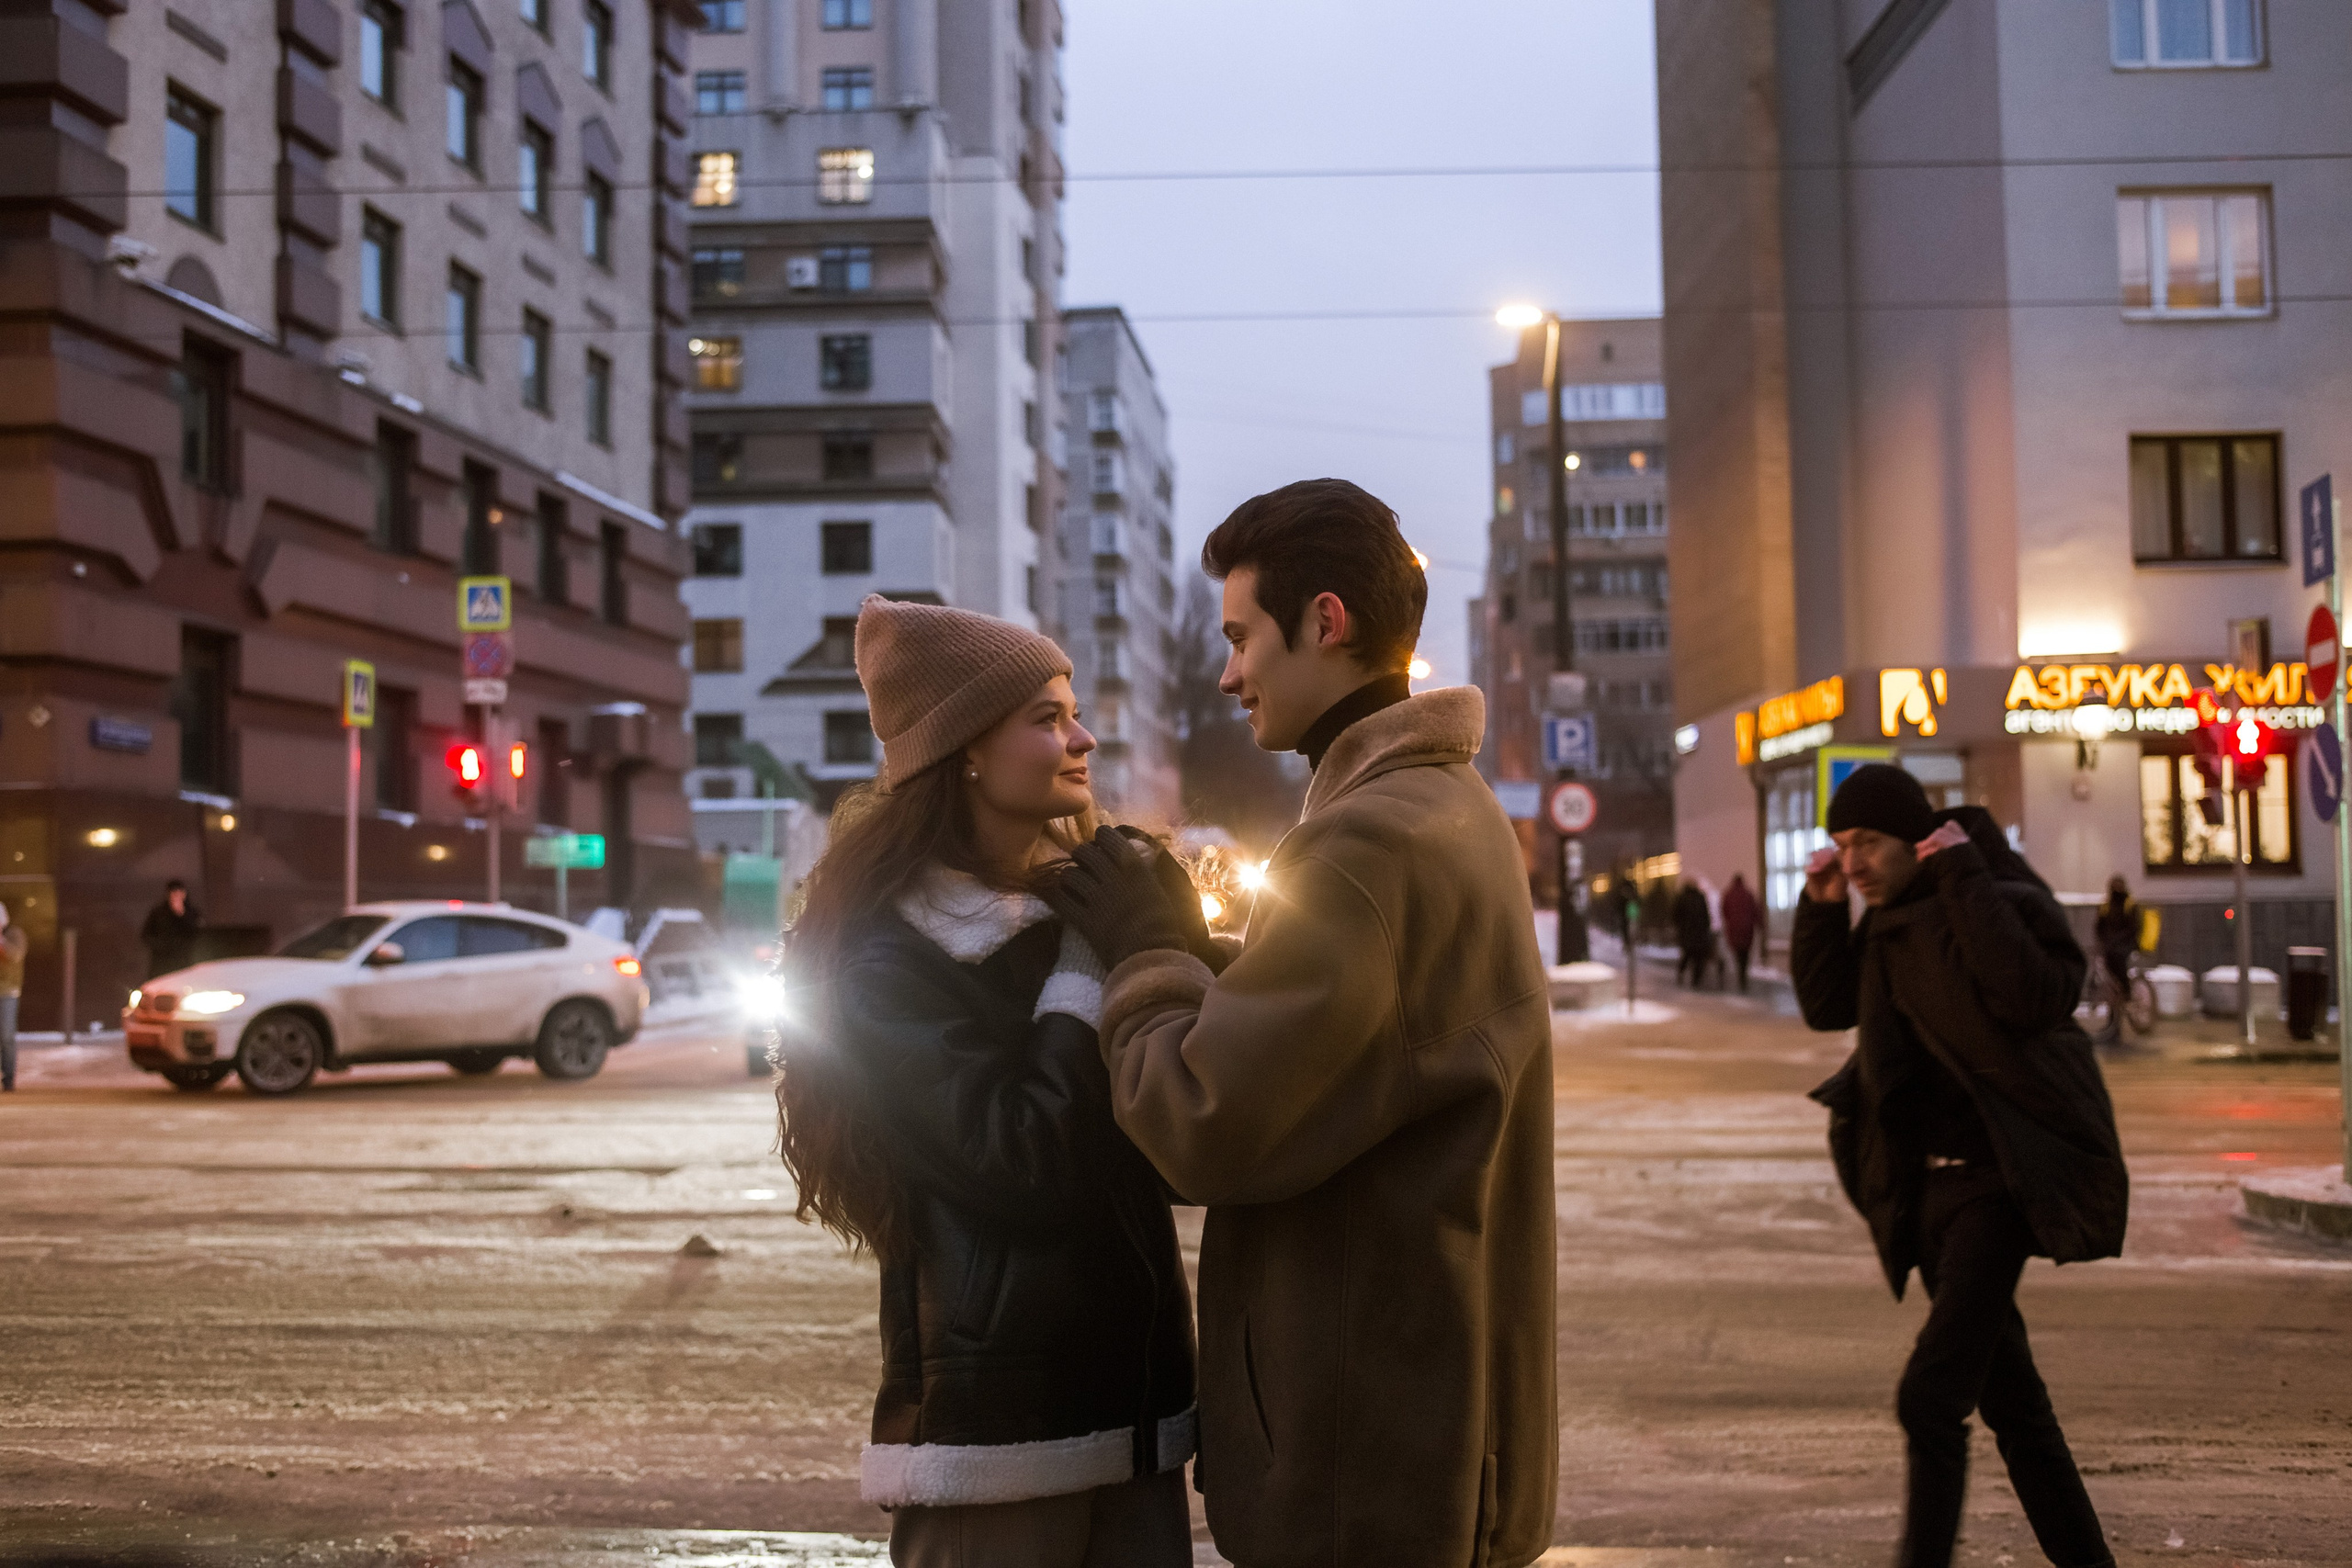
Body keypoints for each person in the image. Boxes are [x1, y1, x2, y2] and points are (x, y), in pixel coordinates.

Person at [1046, 479, 1557, 1568]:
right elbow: (1361, 1050)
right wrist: (1211, 961)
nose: (1228, 674)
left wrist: (1147, 955)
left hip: (1364, 1466)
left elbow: (1203, 1120)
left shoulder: (1368, 844)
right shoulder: (1447, 809)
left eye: (1241, 638)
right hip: (1426, 1434)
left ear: (1325, 622)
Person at [773, 595, 1197, 1568]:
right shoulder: (886, 956)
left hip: (1137, 1421)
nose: (1083, 739)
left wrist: (1162, 950)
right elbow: (1024, 1156)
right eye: (1046, 719)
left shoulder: (1087, 905)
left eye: (1075, 712)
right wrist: (1095, 960)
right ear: (963, 749)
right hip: (995, 1452)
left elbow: (1186, 1141)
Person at [1792, 764, 2126, 1568]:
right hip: (1931, 1193)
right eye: (1842, 845)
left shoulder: (1992, 894)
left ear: (1918, 840)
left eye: (1869, 842)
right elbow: (1828, 1005)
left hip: (1995, 1185)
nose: (1854, 862)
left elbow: (2032, 993)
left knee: (1930, 1399)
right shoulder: (1886, 921)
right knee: (2016, 1407)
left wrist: (1963, 874)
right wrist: (1821, 906)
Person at [2090, 878, 2141, 1044]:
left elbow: (2133, 928)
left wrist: (2118, 942)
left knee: (2118, 977)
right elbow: (2099, 926)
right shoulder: (2106, 906)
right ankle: (2112, 1022)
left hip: (2123, 948)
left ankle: (2126, 995)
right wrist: (2103, 943)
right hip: (2109, 948)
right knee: (2110, 984)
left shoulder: (2129, 905)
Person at [140, 880, 203, 979]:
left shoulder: (192, 913)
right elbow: (146, 935)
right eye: (174, 893)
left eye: (179, 893)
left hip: (184, 961)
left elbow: (197, 934)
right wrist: (161, 945)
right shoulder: (158, 913)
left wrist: (182, 915)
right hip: (162, 962)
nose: (177, 896)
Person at [1720, 872, 1759, 994]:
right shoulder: (1748, 894)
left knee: (1738, 954)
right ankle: (1743, 976)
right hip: (1747, 930)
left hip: (1734, 931)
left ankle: (1741, 975)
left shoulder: (1728, 895)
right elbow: (1755, 911)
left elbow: (1724, 911)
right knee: (1744, 955)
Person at [0, 899, 24, 1092]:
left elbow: (15, 956)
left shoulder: (15, 935)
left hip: (8, 991)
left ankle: (8, 1079)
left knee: (6, 1035)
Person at [1672, 879, 1713, 988]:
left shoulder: (1683, 897)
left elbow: (1676, 915)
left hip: (1689, 933)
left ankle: (1687, 976)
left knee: (1689, 955)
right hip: (1697, 933)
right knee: (1695, 957)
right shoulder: (1698, 897)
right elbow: (1706, 916)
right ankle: (1695, 980)